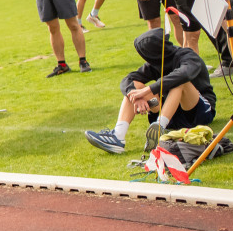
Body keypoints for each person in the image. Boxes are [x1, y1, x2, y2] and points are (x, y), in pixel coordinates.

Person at [85, 28, 216, 154]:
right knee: (134, 86)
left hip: (199, 112)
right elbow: (128, 79)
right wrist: (139, 96)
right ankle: (118, 136)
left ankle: (159, 128)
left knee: (179, 83)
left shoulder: (187, 56)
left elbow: (185, 74)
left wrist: (148, 89)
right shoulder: (155, 64)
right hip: (171, 115)